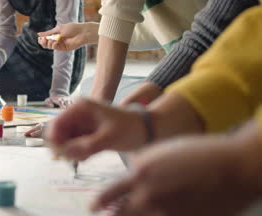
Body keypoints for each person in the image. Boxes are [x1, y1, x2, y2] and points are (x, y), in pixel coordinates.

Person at [46, 5, 262, 216]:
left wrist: (245, 160)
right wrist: (149, 120)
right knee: (94, 87)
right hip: (213, 72)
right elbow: (215, 33)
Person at [25, 0, 259, 137]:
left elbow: (206, 37)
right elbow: (174, 31)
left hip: (231, 78)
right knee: (91, 86)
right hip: (207, 66)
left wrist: (91, 118)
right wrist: (92, 31)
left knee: (129, 119)